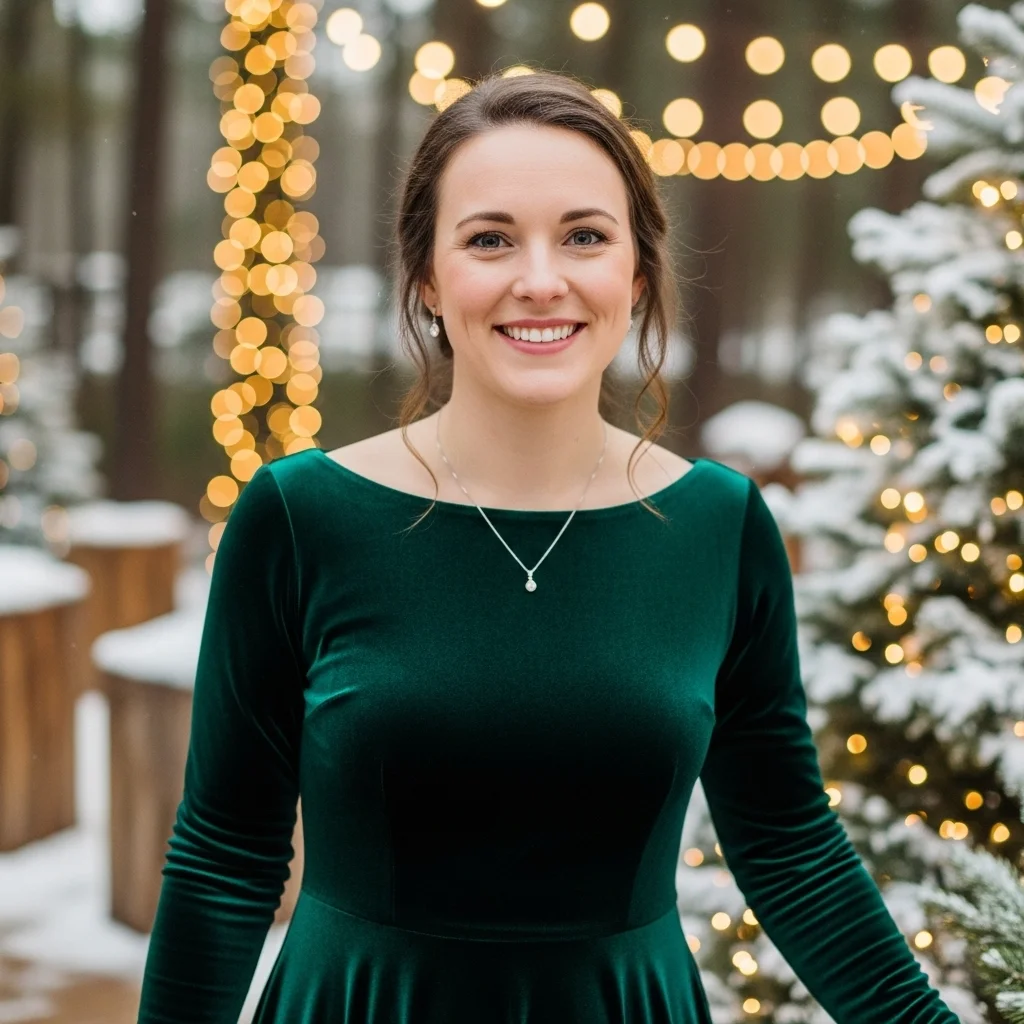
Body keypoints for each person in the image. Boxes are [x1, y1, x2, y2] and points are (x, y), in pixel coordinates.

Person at [136, 69, 962, 1023]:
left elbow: (787, 844)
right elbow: (226, 852)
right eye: (490, 239)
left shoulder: (720, 526)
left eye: (584, 237)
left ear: (638, 275)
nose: (540, 278)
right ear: (427, 278)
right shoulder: (299, 514)